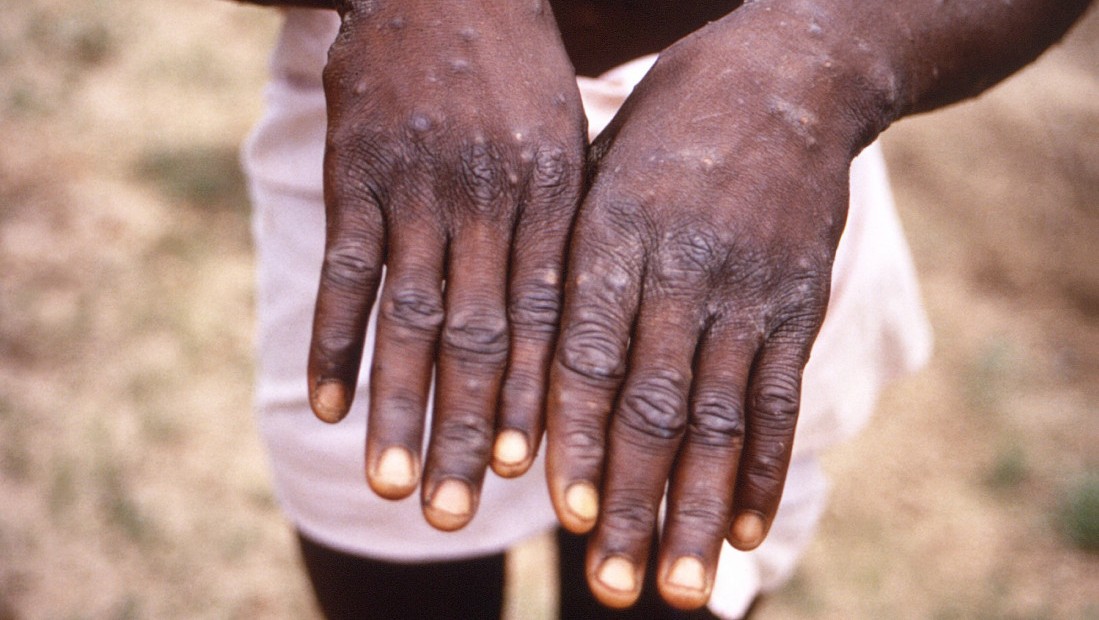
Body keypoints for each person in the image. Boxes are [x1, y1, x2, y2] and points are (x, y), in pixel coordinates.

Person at [235, 0, 1093, 617]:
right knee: (390, 560)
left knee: (666, 574)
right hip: (412, 128)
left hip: (749, 166)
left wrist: (821, 58)